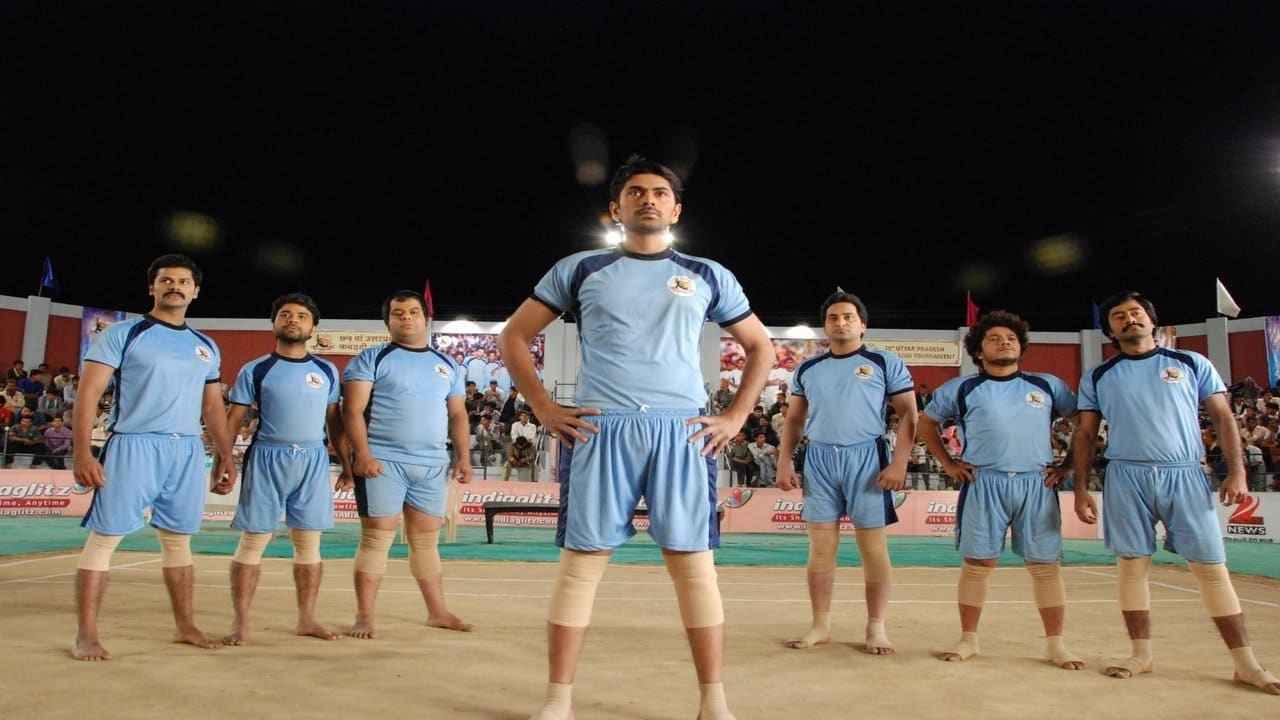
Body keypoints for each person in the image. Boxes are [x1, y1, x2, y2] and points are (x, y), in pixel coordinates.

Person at [499, 155, 774, 720]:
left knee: (694, 567)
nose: (648, 199)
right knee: (582, 565)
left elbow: (760, 347)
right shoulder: (581, 268)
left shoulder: (707, 274)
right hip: (602, 428)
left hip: (682, 430)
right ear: (616, 208)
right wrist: (544, 407)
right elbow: (514, 336)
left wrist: (736, 416)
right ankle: (558, 701)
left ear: (676, 209)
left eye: (659, 193)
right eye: (635, 192)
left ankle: (713, 701)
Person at [1072, 291, 1278, 693]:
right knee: (1132, 566)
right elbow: (1085, 434)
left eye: (1136, 312)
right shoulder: (1097, 376)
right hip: (1125, 475)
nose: (1129, 319)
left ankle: (1246, 664)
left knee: (1210, 568)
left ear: (1152, 320)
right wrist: (1080, 488)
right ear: (1109, 329)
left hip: (1184, 474)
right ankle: (1141, 655)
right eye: (1118, 316)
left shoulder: (1191, 362)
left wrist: (1237, 472)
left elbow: (1223, 418)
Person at [71, 254, 237, 661]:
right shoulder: (123, 334)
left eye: (184, 281)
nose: (175, 286)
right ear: (152, 287)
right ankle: (86, 635)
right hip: (133, 444)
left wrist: (225, 455)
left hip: (186, 449)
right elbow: (89, 393)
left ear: (196, 291)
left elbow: (213, 407)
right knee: (105, 538)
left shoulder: (205, 346)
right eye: (166, 280)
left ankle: (186, 626)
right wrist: (82, 452)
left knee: (178, 540)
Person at [919, 311, 1083, 669]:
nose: (1004, 343)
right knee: (978, 564)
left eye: (1010, 338)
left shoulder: (1047, 386)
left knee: (1045, 566)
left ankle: (1056, 645)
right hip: (984, 482)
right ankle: (968, 640)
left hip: (1036, 483)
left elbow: (1084, 424)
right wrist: (948, 464)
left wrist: (1068, 465)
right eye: (993, 338)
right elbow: (925, 423)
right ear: (978, 351)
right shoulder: (961, 388)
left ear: (1021, 346)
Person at [776, 289, 917, 656]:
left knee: (873, 549)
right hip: (819, 459)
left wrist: (899, 462)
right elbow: (794, 419)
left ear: (863, 325)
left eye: (848, 317)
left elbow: (909, 414)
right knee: (820, 549)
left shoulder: (884, 362)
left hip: (867, 459)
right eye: (833, 318)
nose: (841, 323)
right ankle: (820, 625)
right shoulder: (808, 368)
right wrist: (784, 461)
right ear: (825, 326)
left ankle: (876, 626)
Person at [342, 290, 473, 639]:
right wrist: (363, 455)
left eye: (413, 312)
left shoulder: (447, 364)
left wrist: (463, 457)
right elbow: (352, 410)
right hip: (383, 461)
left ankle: (437, 612)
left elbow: (458, 415)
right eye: (398, 313)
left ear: (425, 318)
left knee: (426, 541)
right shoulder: (371, 358)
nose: (406, 318)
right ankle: (364, 617)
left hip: (432, 463)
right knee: (376, 539)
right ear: (387, 321)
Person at [221, 293, 351, 645]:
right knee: (253, 541)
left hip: (312, 459)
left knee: (309, 543)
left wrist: (347, 465)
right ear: (274, 323)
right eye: (285, 314)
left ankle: (307, 619)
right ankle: (240, 622)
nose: (293, 319)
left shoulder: (326, 370)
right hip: (267, 457)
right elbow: (233, 419)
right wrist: (223, 461)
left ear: (313, 327)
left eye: (302, 316)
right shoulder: (256, 369)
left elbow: (334, 422)